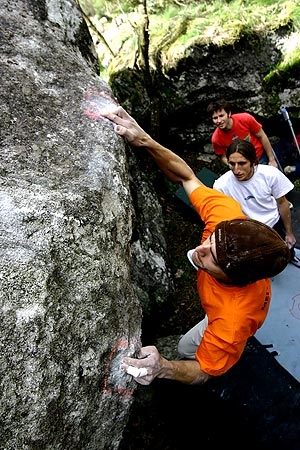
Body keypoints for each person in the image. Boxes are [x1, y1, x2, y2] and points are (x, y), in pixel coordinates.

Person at [100, 106, 290, 386]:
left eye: (212, 257)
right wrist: (145, 141)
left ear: (234, 278)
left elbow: (203, 370)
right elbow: (186, 177)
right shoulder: (226, 215)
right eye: (211, 239)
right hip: (225, 301)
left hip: (225, 314)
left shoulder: (231, 322)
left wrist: (162, 367)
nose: (199, 250)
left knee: (186, 349)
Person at [213, 139, 300, 268]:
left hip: (274, 222)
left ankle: (291, 257)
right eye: (232, 164)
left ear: (253, 162)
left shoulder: (270, 175)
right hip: (250, 230)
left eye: (242, 163)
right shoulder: (221, 185)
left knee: (286, 248)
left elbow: (283, 203)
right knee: (262, 260)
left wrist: (289, 232)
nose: (236, 170)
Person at [207, 99, 279, 168]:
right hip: (242, 166)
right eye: (215, 118)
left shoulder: (245, 118)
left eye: (221, 116)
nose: (219, 120)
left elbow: (262, 136)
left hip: (261, 156)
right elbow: (222, 156)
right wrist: (232, 166)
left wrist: (271, 159)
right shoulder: (216, 139)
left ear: (229, 113)